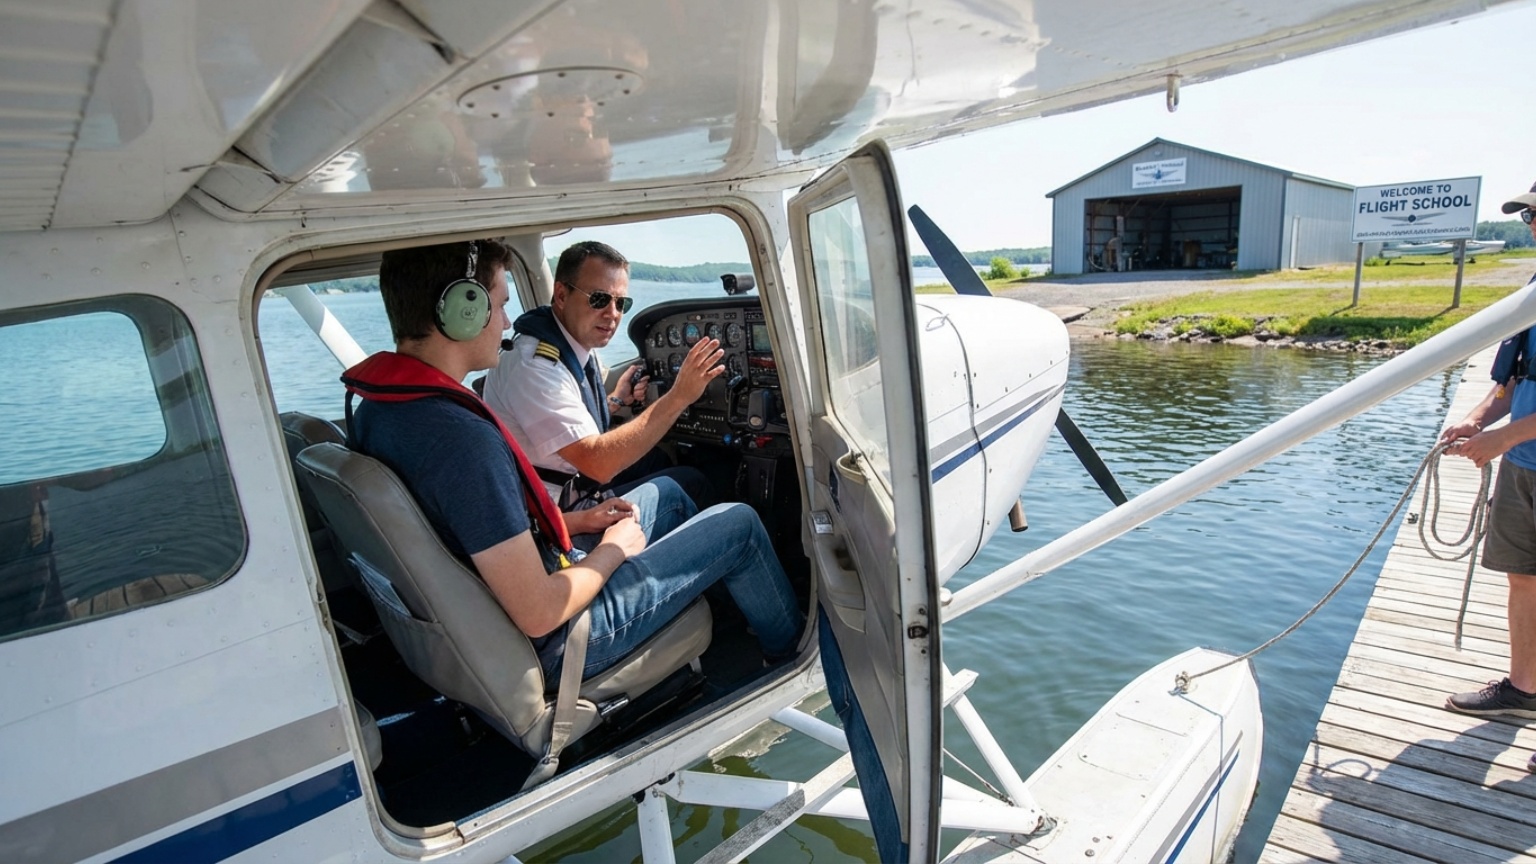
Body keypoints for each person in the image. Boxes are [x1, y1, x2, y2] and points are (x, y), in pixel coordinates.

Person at [341, 238, 803, 685]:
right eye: (500, 305)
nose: (505, 323)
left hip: (506, 596)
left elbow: (462, 528)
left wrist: (577, 520)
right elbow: (540, 612)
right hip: (564, 639)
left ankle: (722, 608)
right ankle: (791, 658)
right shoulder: (462, 442)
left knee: (675, 490)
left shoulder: (384, 411)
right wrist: (612, 549)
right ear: (464, 310)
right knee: (738, 523)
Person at [483, 240, 717, 509]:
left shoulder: (573, 341)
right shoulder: (535, 366)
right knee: (690, 483)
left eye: (621, 303)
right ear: (561, 295)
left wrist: (616, 399)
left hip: (571, 477)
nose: (613, 314)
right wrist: (679, 397)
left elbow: (564, 425)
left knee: (657, 460)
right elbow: (598, 464)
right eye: (599, 299)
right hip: (556, 511)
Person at [1442, 181, 1536, 729]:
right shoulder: (1532, 292)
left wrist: (1501, 439)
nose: (1533, 224)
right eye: (1528, 215)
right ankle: (1525, 689)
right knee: (1524, 578)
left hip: (1516, 452)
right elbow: (1510, 380)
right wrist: (1480, 418)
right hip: (1524, 469)